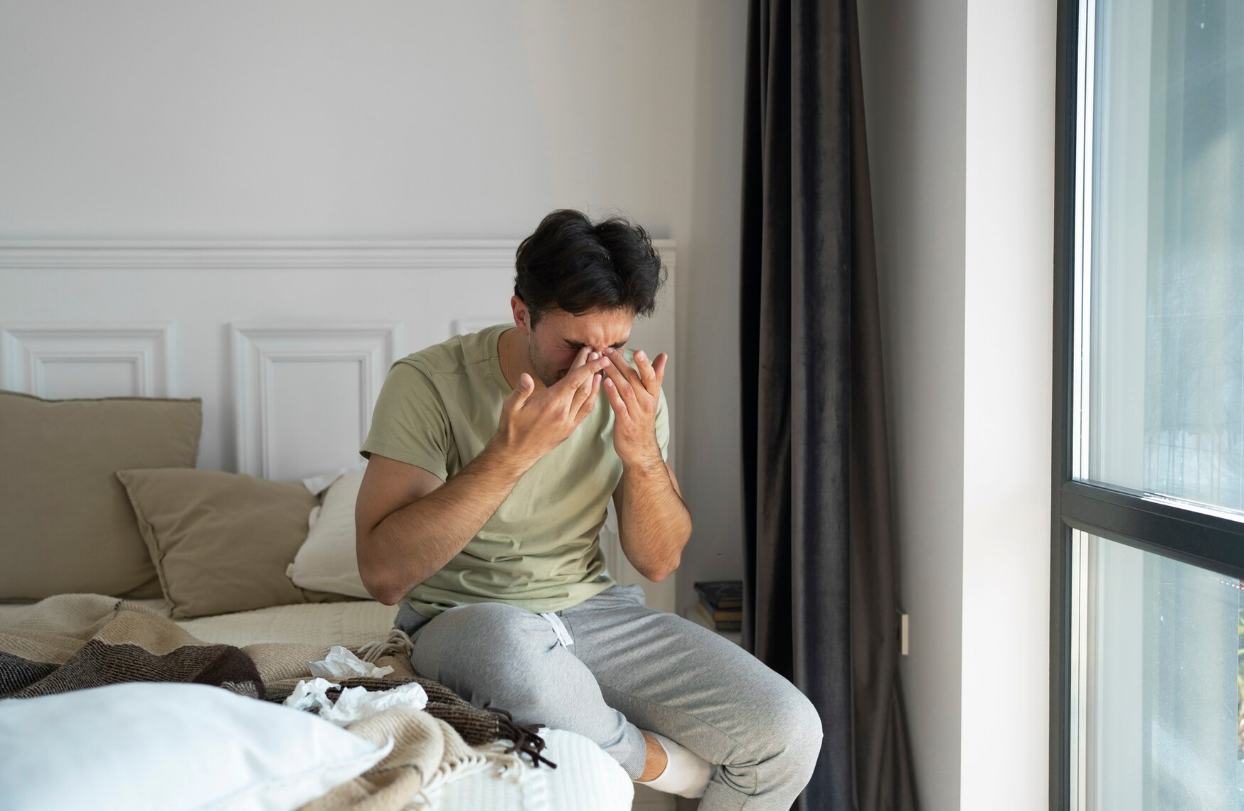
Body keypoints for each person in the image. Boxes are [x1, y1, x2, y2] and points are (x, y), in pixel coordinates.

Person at [355, 209, 822, 808]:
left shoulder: (629, 391)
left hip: (593, 613)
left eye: (616, 345)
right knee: (509, 647)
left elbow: (657, 562)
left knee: (790, 731)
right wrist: (511, 454)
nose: (594, 365)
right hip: (463, 617)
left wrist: (643, 455)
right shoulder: (428, 383)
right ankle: (653, 763)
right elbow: (383, 575)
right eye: (573, 344)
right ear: (523, 313)